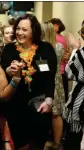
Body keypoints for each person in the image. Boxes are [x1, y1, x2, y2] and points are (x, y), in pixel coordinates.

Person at [1, 14, 57, 150]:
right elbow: (3, 73)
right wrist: (10, 71)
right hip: (16, 107)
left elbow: (50, 77)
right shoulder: (9, 49)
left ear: (34, 31)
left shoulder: (45, 49)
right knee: (21, 144)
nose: (19, 32)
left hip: (39, 105)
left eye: (24, 30)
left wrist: (49, 101)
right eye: (18, 29)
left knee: (37, 144)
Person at [41, 22, 65, 150]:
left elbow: (43, 68)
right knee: (57, 113)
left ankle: (44, 141)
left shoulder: (42, 48)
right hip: (58, 80)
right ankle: (57, 142)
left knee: (46, 112)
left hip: (47, 81)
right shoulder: (59, 46)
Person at [63, 21, 84, 150]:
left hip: (80, 105)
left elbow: (69, 72)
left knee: (74, 142)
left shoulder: (81, 53)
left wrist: (75, 49)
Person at [49, 18, 70, 102]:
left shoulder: (56, 38)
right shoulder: (62, 37)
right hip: (63, 69)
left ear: (56, 26)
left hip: (58, 71)